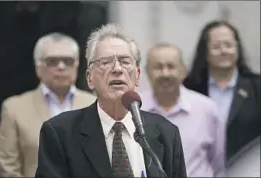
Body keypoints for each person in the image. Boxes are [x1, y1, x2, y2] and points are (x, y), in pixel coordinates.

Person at [35, 24, 187, 178]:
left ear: (137, 76)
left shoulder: (166, 133)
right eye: (106, 62)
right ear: (90, 78)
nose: (117, 69)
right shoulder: (60, 133)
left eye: (125, 62)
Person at [0, 32, 96, 177]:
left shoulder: (94, 104)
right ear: (38, 67)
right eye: (52, 61)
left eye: (67, 61)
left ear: (77, 65)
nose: (61, 67)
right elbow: (8, 168)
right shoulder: (14, 108)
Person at [140, 43, 225, 177]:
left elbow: (218, 162)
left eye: (171, 66)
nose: (165, 73)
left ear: (183, 71)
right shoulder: (134, 109)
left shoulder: (207, 109)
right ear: (147, 72)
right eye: (158, 67)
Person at [183, 20, 261, 161]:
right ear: (205, 52)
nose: (224, 51)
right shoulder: (190, 87)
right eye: (216, 46)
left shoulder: (257, 87)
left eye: (229, 45)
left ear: (238, 48)